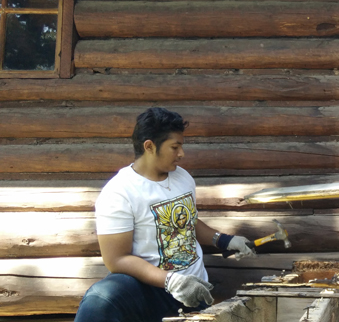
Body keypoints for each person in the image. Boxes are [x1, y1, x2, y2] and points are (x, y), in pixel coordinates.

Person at [74, 107, 257, 322]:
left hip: (194, 292)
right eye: (174, 147)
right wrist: (171, 281)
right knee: (99, 300)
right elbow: (116, 259)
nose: (181, 153)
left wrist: (224, 240)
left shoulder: (182, 177)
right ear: (149, 146)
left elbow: (187, 223)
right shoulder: (119, 192)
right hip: (149, 291)